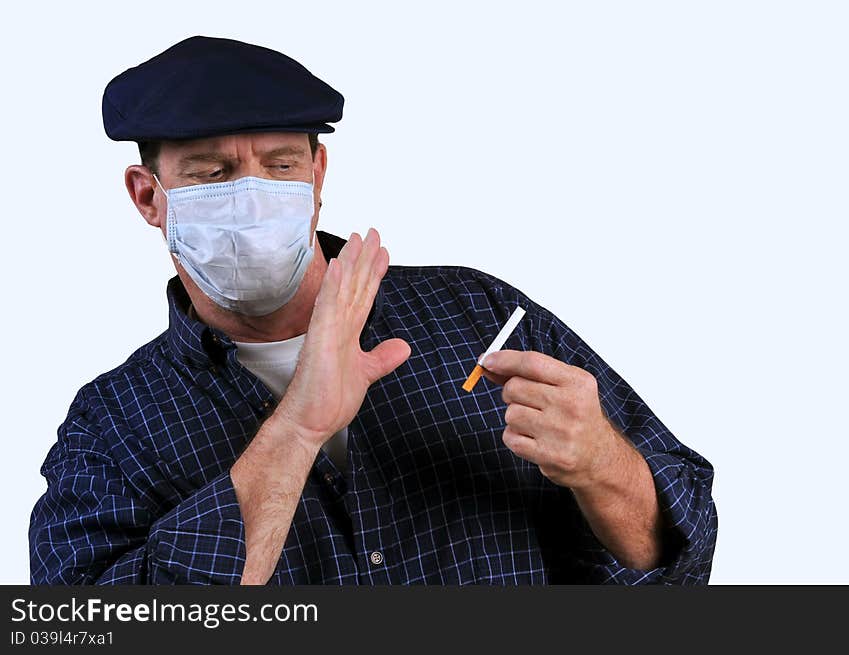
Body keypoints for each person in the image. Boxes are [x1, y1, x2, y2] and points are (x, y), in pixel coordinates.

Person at [29, 36, 718, 585]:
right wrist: (299, 425)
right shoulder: (111, 431)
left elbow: (680, 554)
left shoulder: (476, 316)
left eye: (279, 166)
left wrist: (604, 465)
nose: (253, 195)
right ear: (149, 196)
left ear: (319, 175)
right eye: (211, 173)